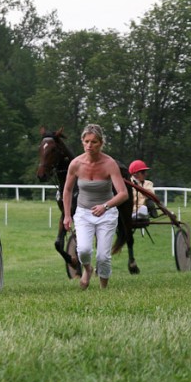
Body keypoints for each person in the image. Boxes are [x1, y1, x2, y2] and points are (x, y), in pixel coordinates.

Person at [62, 124, 128, 290]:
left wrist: (105, 206)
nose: (90, 145)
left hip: (106, 214)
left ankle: (103, 289)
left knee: (103, 256)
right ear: (82, 142)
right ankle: (87, 269)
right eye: (87, 141)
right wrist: (67, 216)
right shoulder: (75, 164)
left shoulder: (109, 164)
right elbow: (68, 190)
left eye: (94, 142)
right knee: (83, 250)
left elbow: (123, 193)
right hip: (83, 213)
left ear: (101, 143)